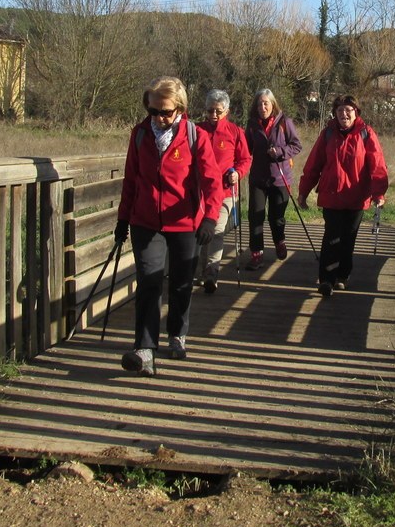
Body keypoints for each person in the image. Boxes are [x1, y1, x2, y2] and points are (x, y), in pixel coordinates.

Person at [114, 76, 224, 376]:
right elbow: (131, 181)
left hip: (184, 222)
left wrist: (210, 217)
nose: (159, 118)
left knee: (180, 283)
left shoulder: (194, 136)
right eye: (153, 111)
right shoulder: (139, 135)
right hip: (145, 222)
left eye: (165, 112)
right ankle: (145, 350)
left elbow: (213, 181)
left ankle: (177, 334)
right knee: (149, 282)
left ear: (180, 109)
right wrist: (123, 219)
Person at [297, 95, 388, 297]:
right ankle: (326, 280)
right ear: (335, 113)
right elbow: (313, 165)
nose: (344, 114)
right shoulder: (328, 134)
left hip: (356, 197)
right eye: (339, 111)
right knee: (331, 237)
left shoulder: (366, 134)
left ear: (356, 112)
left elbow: (377, 166)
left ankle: (343, 276)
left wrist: (378, 192)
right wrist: (304, 191)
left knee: (348, 239)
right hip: (332, 195)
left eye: (348, 110)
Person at [196, 89, 252, 292]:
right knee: (201, 232)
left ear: (226, 110)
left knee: (216, 230)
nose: (213, 115)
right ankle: (204, 271)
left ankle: (212, 272)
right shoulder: (197, 130)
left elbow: (245, 159)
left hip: (224, 191)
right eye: (209, 110)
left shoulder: (235, 132)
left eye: (217, 111)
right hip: (199, 192)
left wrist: (238, 172)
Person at [244, 88, 302, 270]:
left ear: (273, 104)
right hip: (258, 178)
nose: (263, 107)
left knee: (276, 218)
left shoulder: (285, 122)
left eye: (266, 103)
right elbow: (246, 149)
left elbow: (296, 145)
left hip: (280, 177)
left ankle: (279, 241)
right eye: (259, 103)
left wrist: (281, 152)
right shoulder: (252, 125)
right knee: (255, 216)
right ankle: (256, 254)